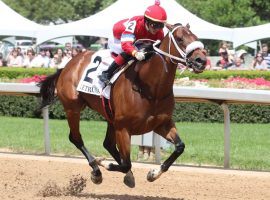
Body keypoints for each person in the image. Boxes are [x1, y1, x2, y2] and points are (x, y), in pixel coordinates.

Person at [99, 0, 167, 84]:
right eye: (154, 25)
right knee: (129, 53)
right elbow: (126, 45)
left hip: (138, 39)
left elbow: (159, 48)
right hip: (118, 38)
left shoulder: (159, 32)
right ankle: (106, 73)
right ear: (146, 21)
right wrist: (135, 53)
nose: (157, 29)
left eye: (160, 25)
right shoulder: (135, 23)